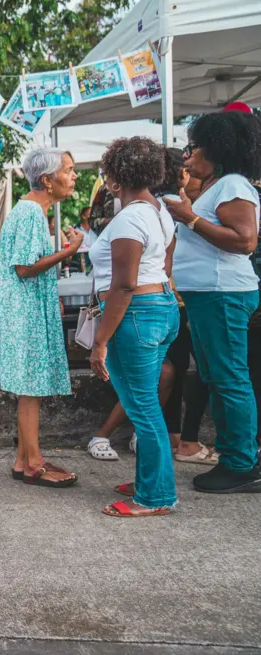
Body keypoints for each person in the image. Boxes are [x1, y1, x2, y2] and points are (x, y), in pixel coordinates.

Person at [165, 110, 261, 494]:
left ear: (218, 148)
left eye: (193, 147)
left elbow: (244, 241)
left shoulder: (233, 186)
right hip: (209, 295)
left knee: (228, 377)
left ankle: (241, 463)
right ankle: (236, 456)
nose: (187, 156)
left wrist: (190, 219)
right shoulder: (219, 185)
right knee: (218, 377)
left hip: (222, 293)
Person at [88, 137, 179, 517]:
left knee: (143, 408)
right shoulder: (161, 211)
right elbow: (164, 268)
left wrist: (100, 341)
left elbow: (124, 284)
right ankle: (152, 481)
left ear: (114, 179)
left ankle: (155, 497)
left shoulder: (129, 218)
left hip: (137, 312)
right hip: (161, 307)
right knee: (144, 404)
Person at [0, 147, 83, 487]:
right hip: (20, 305)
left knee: (29, 386)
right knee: (29, 387)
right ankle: (33, 463)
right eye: (68, 170)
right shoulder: (29, 212)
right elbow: (24, 268)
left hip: (20, 303)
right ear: (47, 179)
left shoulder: (30, 211)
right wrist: (68, 252)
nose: (73, 176)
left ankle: (23, 458)